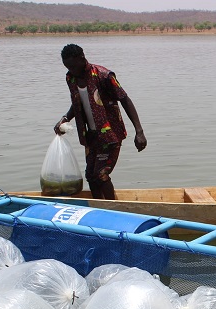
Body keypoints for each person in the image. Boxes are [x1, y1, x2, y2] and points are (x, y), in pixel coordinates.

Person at [53, 43, 147, 200]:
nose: (71, 70)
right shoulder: (71, 78)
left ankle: (112, 208)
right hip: (91, 136)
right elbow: (79, 102)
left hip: (110, 135)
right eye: (67, 67)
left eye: (73, 66)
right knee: (90, 175)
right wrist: (65, 118)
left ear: (82, 59)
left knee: (101, 174)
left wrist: (139, 132)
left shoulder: (103, 76)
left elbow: (125, 99)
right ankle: (98, 206)